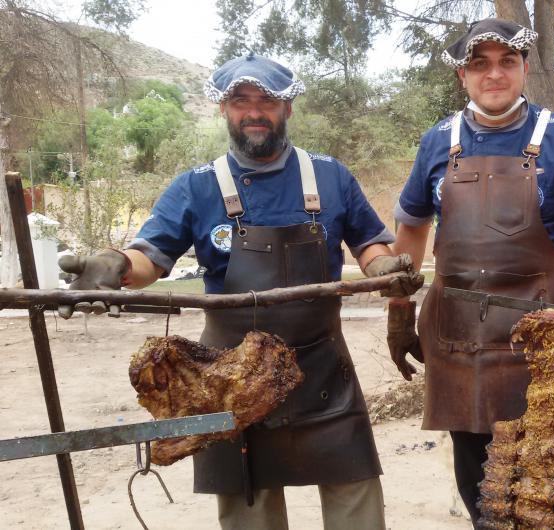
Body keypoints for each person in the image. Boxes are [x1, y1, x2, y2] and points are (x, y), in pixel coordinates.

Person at [58, 53, 422, 530]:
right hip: (228, 381)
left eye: (266, 100)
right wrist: (116, 265)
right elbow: (151, 258)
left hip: (324, 373)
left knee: (357, 504)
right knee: (249, 516)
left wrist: (386, 266)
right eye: (240, 101)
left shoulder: (331, 176)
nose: (254, 111)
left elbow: (370, 247)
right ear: (224, 110)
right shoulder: (197, 186)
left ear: (287, 108)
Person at [385, 18, 554, 527]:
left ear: (524, 68)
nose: (493, 74)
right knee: (483, 490)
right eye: (480, 64)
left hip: (546, 344)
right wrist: (398, 308)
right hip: (459, 343)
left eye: (507, 62)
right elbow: (410, 230)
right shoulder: (438, 141)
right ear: (463, 77)